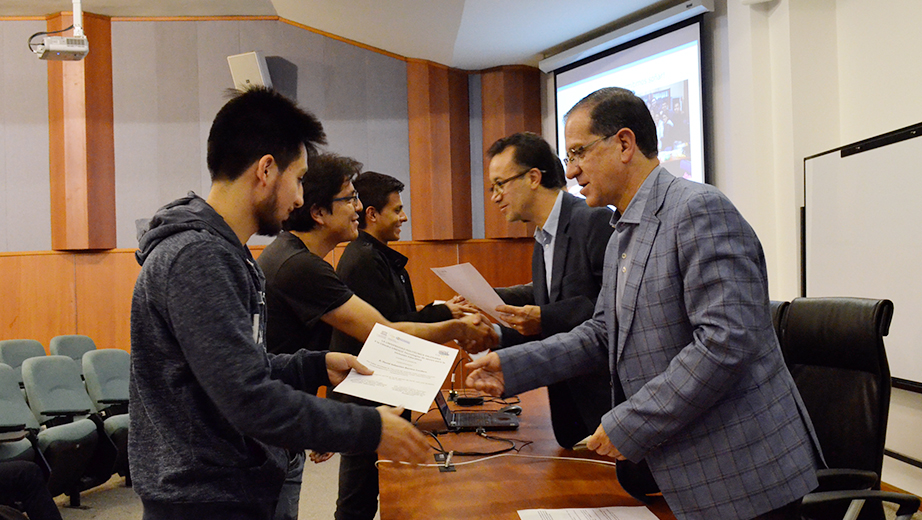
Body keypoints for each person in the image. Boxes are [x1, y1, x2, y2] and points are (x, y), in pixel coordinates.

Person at [466, 87, 822, 520]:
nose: (572, 169)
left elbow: (725, 343)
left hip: (741, 475)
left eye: (579, 152)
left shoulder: (697, 209)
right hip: (683, 468)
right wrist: (515, 366)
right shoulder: (622, 232)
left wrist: (632, 421)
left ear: (623, 144)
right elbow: (602, 334)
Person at [129, 87, 430, 520]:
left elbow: (235, 367)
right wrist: (370, 427)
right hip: (205, 500)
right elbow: (246, 396)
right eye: (300, 178)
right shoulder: (198, 257)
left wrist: (314, 364)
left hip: (225, 490)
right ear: (267, 170)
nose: (301, 198)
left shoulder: (224, 251)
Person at [258, 155, 496, 520]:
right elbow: (384, 332)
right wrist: (455, 327)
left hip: (282, 423)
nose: (358, 209)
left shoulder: (299, 258)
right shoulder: (299, 265)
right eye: (349, 199)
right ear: (319, 212)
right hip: (267, 431)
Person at [328, 170, 476, 520]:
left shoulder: (381, 257)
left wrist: (438, 311)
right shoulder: (363, 259)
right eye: (397, 210)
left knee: (388, 492)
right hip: (368, 398)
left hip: (385, 394)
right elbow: (391, 332)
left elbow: (398, 315)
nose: (404, 217)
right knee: (357, 502)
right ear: (372, 215)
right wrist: (446, 319)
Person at [482, 132, 614, 449]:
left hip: (607, 409)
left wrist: (542, 316)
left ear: (533, 177)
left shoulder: (594, 220)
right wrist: (497, 335)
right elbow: (550, 314)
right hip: (570, 414)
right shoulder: (542, 239)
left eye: (501, 184)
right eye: (492, 188)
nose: (495, 197)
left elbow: (609, 309)